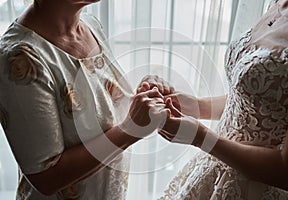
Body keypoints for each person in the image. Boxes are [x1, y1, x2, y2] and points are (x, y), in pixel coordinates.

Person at [0, 0, 173, 199]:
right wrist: (131, 129)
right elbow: (46, 178)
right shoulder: (18, 57)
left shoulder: (91, 26)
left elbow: (99, 109)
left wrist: (141, 96)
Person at [158, 0, 288, 199]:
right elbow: (260, 103)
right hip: (212, 172)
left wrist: (200, 137)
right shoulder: (278, 3)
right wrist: (198, 106)